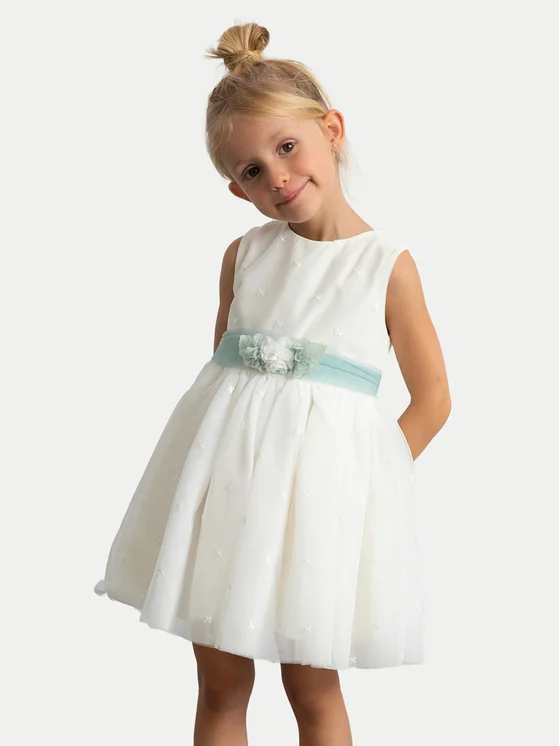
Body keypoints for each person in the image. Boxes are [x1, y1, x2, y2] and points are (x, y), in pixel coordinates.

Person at [94, 21, 451, 746]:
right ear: (235, 189)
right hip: (226, 496)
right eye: (252, 171)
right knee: (220, 684)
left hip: (319, 507)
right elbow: (224, 387)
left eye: (286, 148)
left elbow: (434, 399)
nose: (277, 177)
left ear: (331, 130)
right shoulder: (243, 256)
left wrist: (367, 478)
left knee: (310, 688)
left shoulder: (385, 266)